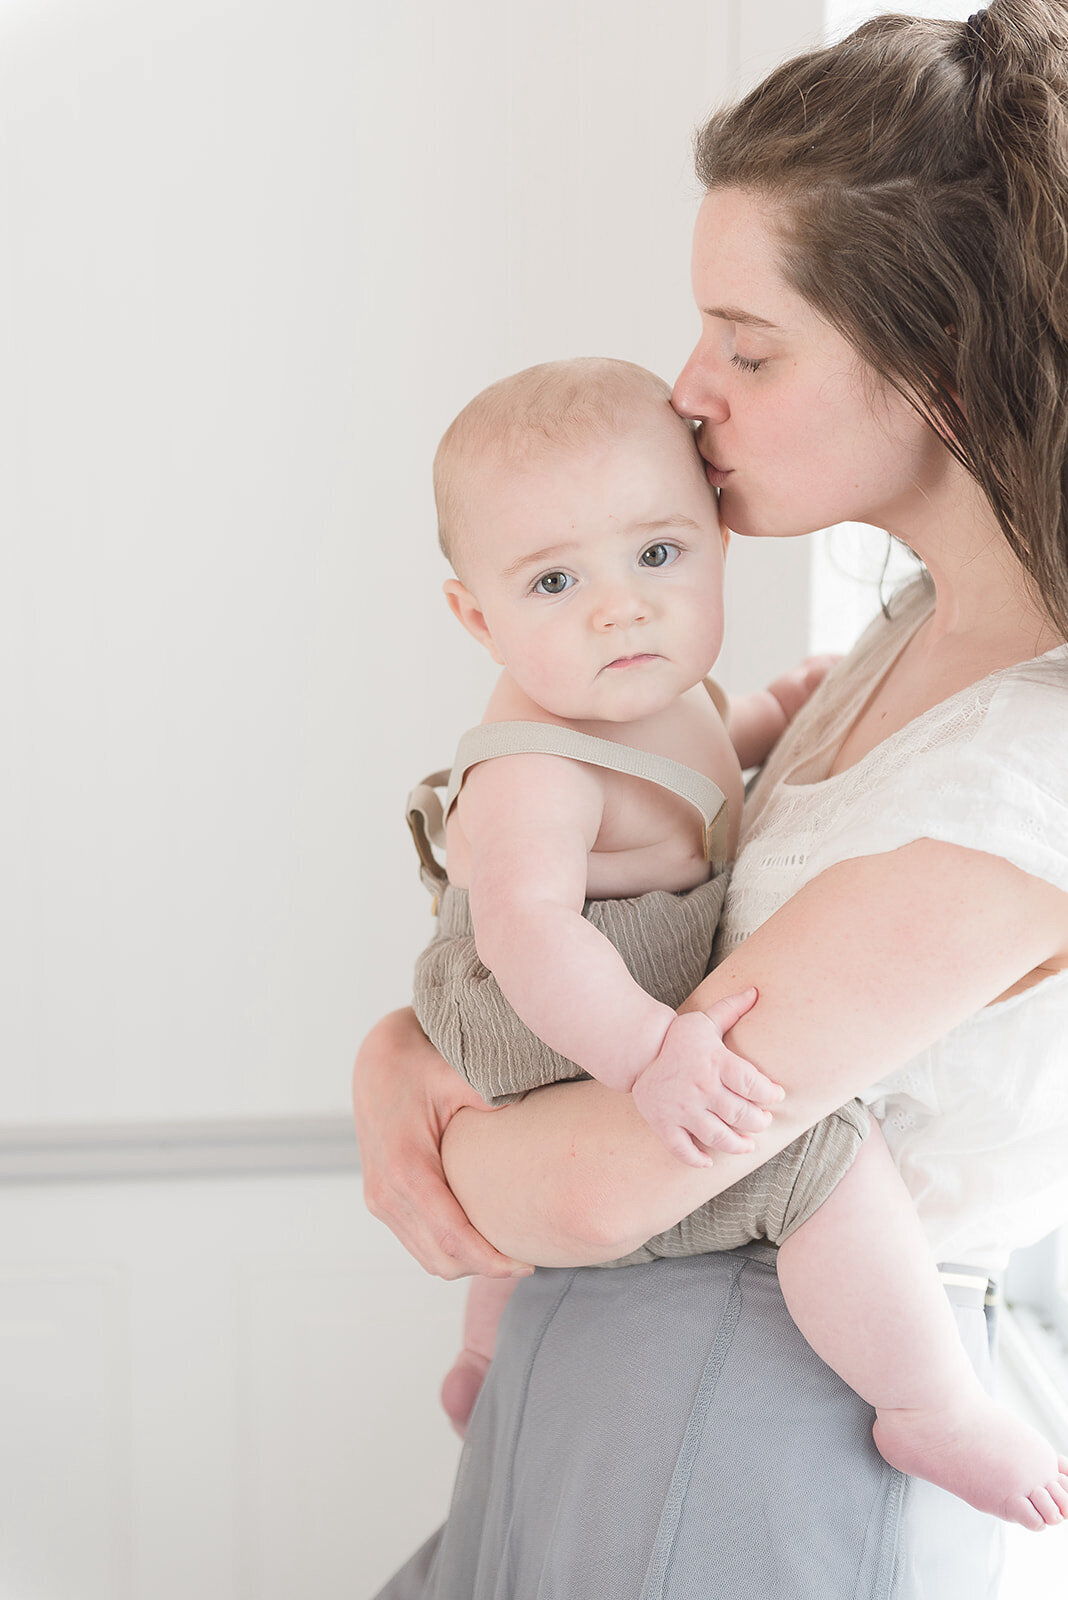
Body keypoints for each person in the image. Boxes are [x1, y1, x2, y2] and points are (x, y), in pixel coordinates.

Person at [354, 4, 1068, 1594]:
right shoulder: (894, 643)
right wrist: (402, 1050)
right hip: (631, 1392)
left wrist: (414, 1131)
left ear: (942, 365)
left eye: (748, 345)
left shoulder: (1029, 778)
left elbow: (625, 1173)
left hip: (770, 1434)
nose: (688, 393)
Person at [409, 352, 1066, 1530]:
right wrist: (650, 1052)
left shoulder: (653, 691)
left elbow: (712, 760)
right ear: (475, 616)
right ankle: (922, 1397)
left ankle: (486, 1346)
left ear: (715, 543)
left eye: (656, 556)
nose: (621, 605)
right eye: (554, 581)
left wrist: (787, 709)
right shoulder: (535, 763)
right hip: (562, 996)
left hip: (601, 996)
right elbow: (524, 931)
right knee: (821, 1159)